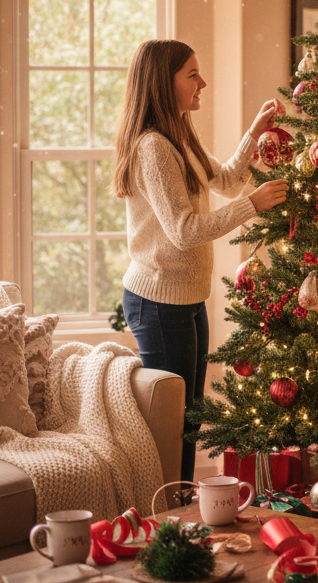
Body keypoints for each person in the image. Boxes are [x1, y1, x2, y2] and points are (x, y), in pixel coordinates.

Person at [112, 39, 288, 484]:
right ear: (163, 83)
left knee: (189, 418)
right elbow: (184, 230)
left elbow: (226, 180)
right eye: (192, 74)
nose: (202, 82)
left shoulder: (180, 137)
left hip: (186, 298)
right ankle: (168, 514)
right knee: (174, 425)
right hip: (157, 301)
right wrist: (254, 205)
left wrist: (254, 132)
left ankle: (182, 508)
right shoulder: (153, 147)